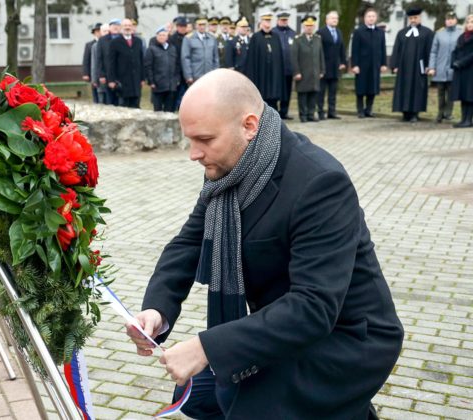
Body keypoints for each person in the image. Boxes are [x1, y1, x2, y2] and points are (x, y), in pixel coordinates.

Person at [126, 68, 404, 419]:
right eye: (190, 140)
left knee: (244, 408)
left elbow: (313, 307)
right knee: (197, 398)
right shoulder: (230, 169)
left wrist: (206, 348)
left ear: (249, 125)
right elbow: (189, 242)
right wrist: (157, 311)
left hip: (343, 339)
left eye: (205, 140)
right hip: (284, 325)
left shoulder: (320, 183)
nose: (194, 154)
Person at [390, 7, 434, 123]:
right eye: (411, 18)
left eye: (415, 17)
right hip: (404, 67)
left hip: (419, 67)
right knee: (403, 88)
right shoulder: (402, 33)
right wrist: (394, 65)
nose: (413, 20)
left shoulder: (427, 33)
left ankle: (415, 113)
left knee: (417, 89)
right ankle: (405, 112)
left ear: (420, 18)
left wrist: (429, 66)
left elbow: (430, 51)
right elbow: (396, 50)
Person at [245, 11, 286, 111]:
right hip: (261, 74)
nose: (268, 24)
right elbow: (251, 60)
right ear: (261, 23)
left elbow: (280, 57)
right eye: (265, 21)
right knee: (262, 97)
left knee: (274, 97)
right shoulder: (256, 38)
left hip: (274, 74)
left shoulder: (276, 37)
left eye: (269, 21)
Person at [351, 8, 387, 118]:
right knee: (361, 88)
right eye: (369, 16)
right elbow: (354, 49)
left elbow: (383, 48)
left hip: (375, 64)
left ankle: (369, 109)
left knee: (373, 88)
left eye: (373, 16)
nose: (371, 18)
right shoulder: (359, 32)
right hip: (362, 65)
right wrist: (355, 65)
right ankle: (360, 110)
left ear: (376, 18)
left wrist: (383, 64)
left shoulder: (380, 32)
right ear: (365, 18)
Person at [428, 12, 462, 123]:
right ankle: (440, 112)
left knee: (451, 92)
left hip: (453, 69)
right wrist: (432, 67)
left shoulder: (460, 34)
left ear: (456, 20)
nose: (450, 21)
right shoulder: (439, 34)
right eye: (448, 19)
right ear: (445, 21)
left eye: (452, 19)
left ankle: (448, 113)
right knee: (440, 93)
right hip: (440, 68)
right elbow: (433, 52)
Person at [291, 15, 325, 123]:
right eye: (307, 26)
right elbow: (294, 57)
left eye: (311, 26)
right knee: (303, 94)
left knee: (313, 94)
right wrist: (296, 72)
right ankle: (303, 115)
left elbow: (321, 55)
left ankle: (311, 114)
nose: (309, 28)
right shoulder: (298, 40)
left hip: (315, 72)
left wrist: (322, 70)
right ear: (303, 27)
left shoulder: (317, 39)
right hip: (303, 72)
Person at [108, 18, 145, 108]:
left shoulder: (138, 41)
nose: (127, 27)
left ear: (132, 27)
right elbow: (111, 63)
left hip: (136, 80)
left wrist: (143, 78)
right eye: (125, 25)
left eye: (129, 25)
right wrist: (111, 80)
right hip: (122, 80)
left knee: (136, 105)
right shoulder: (115, 42)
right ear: (121, 27)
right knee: (124, 107)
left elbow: (141, 60)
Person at [317, 11, 346, 120]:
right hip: (324, 67)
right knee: (321, 91)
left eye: (336, 18)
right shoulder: (321, 32)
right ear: (327, 20)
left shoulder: (339, 32)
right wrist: (320, 67)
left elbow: (342, 48)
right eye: (332, 18)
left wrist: (343, 62)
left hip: (335, 67)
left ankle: (331, 111)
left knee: (333, 92)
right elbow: (318, 51)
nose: (335, 20)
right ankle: (320, 112)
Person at [144, 26, 180, 112]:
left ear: (167, 37)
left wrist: (177, 79)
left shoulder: (172, 48)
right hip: (158, 85)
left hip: (171, 85)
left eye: (164, 35)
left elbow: (177, 65)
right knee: (158, 111)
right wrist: (151, 81)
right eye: (160, 35)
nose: (162, 37)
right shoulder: (151, 49)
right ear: (156, 36)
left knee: (169, 111)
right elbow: (148, 66)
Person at [272, 11, 297, 120]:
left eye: (286, 20)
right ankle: (274, 112)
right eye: (282, 20)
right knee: (276, 90)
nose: (284, 22)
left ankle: (284, 111)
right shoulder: (273, 32)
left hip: (288, 67)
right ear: (278, 20)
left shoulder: (292, 33)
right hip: (276, 68)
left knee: (287, 91)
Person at [181, 16, 219, 86]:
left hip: (209, 74)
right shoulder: (189, 38)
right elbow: (185, 58)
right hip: (195, 75)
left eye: (204, 25)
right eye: (200, 25)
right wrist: (188, 76)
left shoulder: (212, 38)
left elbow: (215, 58)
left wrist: (215, 72)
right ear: (196, 26)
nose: (202, 27)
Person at [450, 14, 473, 128]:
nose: (469, 24)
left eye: (472, 22)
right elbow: (455, 50)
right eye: (468, 22)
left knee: (470, 95)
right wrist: (453, 62)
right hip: (460, 70)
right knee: (463, 95)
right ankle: (463, 119)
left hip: (470, 70)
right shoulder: (462, 36)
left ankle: (468, 119)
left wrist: (461, 62)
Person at [97, 18, 122, 106]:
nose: (116, 27)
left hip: (122, 75)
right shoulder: (102, 40)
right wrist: (101, 75)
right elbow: (99, 59)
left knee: (122, 102)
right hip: (107, 74)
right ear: (110, 27)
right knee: (110, 101)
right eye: (113, 25)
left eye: (118, 25)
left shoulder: (123, 38)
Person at [171, 16, 190, 110]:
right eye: (180, 26)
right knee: (176, 93)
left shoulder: (189, 37)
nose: (182, 28)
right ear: (177, 27)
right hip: (176, 70)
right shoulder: (172, 39)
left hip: (187, 70)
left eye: (184, 26)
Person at [83, 23, 103, 104]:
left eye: (100, 31)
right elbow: (86, 59)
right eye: (97, 31)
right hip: (93, 72)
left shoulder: (105, 42)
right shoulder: (89, 45)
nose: (99, 33)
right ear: (94, 32)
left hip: (102, 72)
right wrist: (86, 73)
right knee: (95, 91)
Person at [91, 23, 110, 104]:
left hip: (111, 79)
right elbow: (94, 64)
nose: (106, 33)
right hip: (100, 79)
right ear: (101, 33)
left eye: (108, 31)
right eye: (104, 31)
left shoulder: (114, 43)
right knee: (101, 101)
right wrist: (94, 79)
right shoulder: (96, 46)